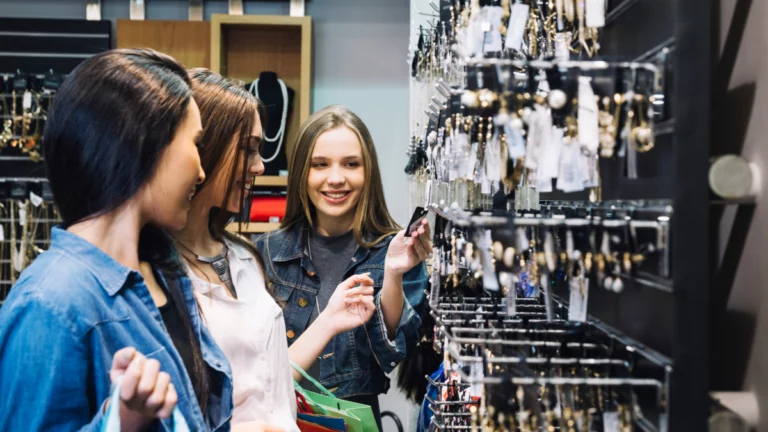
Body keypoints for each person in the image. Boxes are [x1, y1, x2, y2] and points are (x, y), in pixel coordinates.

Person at [0, 49, 233, 431]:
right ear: (144, 141)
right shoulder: (48, 304)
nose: (202, 170)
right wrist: (121, 422)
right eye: (195, 143)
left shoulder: (163, 271)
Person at [169, 69, 376, 430]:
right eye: (247, 150)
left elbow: (273, 378)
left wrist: (330, 320)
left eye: (258, 150)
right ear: (207, 148)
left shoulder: (243, 257)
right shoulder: (160, 272)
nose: (260, 166)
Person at [254, 105, 431, 430]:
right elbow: (253, 367)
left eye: (351, 164)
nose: (336, 178)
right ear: (302, 173)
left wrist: (392, 275)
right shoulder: (265, 251)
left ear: (368, 172)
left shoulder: (396, 253)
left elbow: (392, 355)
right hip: (277, 421)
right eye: (320, 165)